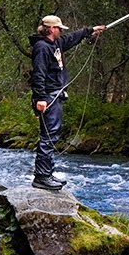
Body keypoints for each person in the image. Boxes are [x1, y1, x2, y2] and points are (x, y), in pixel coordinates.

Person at [29, 15, 105, 190]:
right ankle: (41, 177)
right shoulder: (41, 47)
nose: (62, 31)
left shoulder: (55, 43)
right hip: (47, 98)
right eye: (59, 29)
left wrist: (90, 31)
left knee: (52, 136)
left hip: (54, 96)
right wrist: (40, 98)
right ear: (51, 29)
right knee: (48, 137)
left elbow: (72, 38)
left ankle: (47, 173)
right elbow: (38, 74)